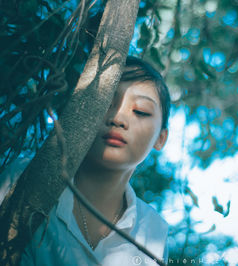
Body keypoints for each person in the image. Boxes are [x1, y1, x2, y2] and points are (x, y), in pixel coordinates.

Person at [21, 56, 171, 266]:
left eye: (140, 111)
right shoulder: (24, 178)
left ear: (160, 138)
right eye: (105, 102)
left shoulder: (154, 231)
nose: (117, 118)